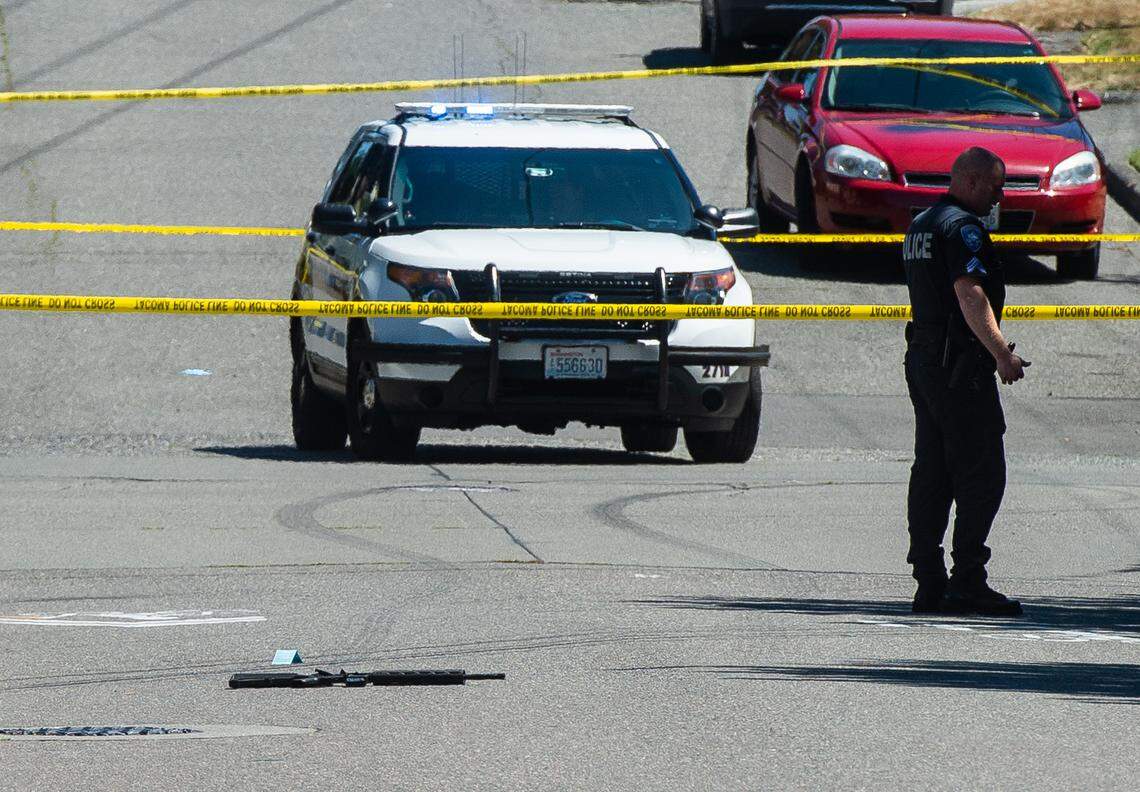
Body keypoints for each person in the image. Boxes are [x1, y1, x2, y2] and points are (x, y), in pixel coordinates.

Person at [902, 146, 1028, 617]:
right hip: (958, 367)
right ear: (972, 181)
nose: (999, 196)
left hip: (925, 360)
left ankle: (929, 581)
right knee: (982, 472)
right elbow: (969, 294)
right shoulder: (963, 228)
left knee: (932, 470)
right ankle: (967, 580)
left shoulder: (922, 225)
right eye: (996, 187)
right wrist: (1001, 354)